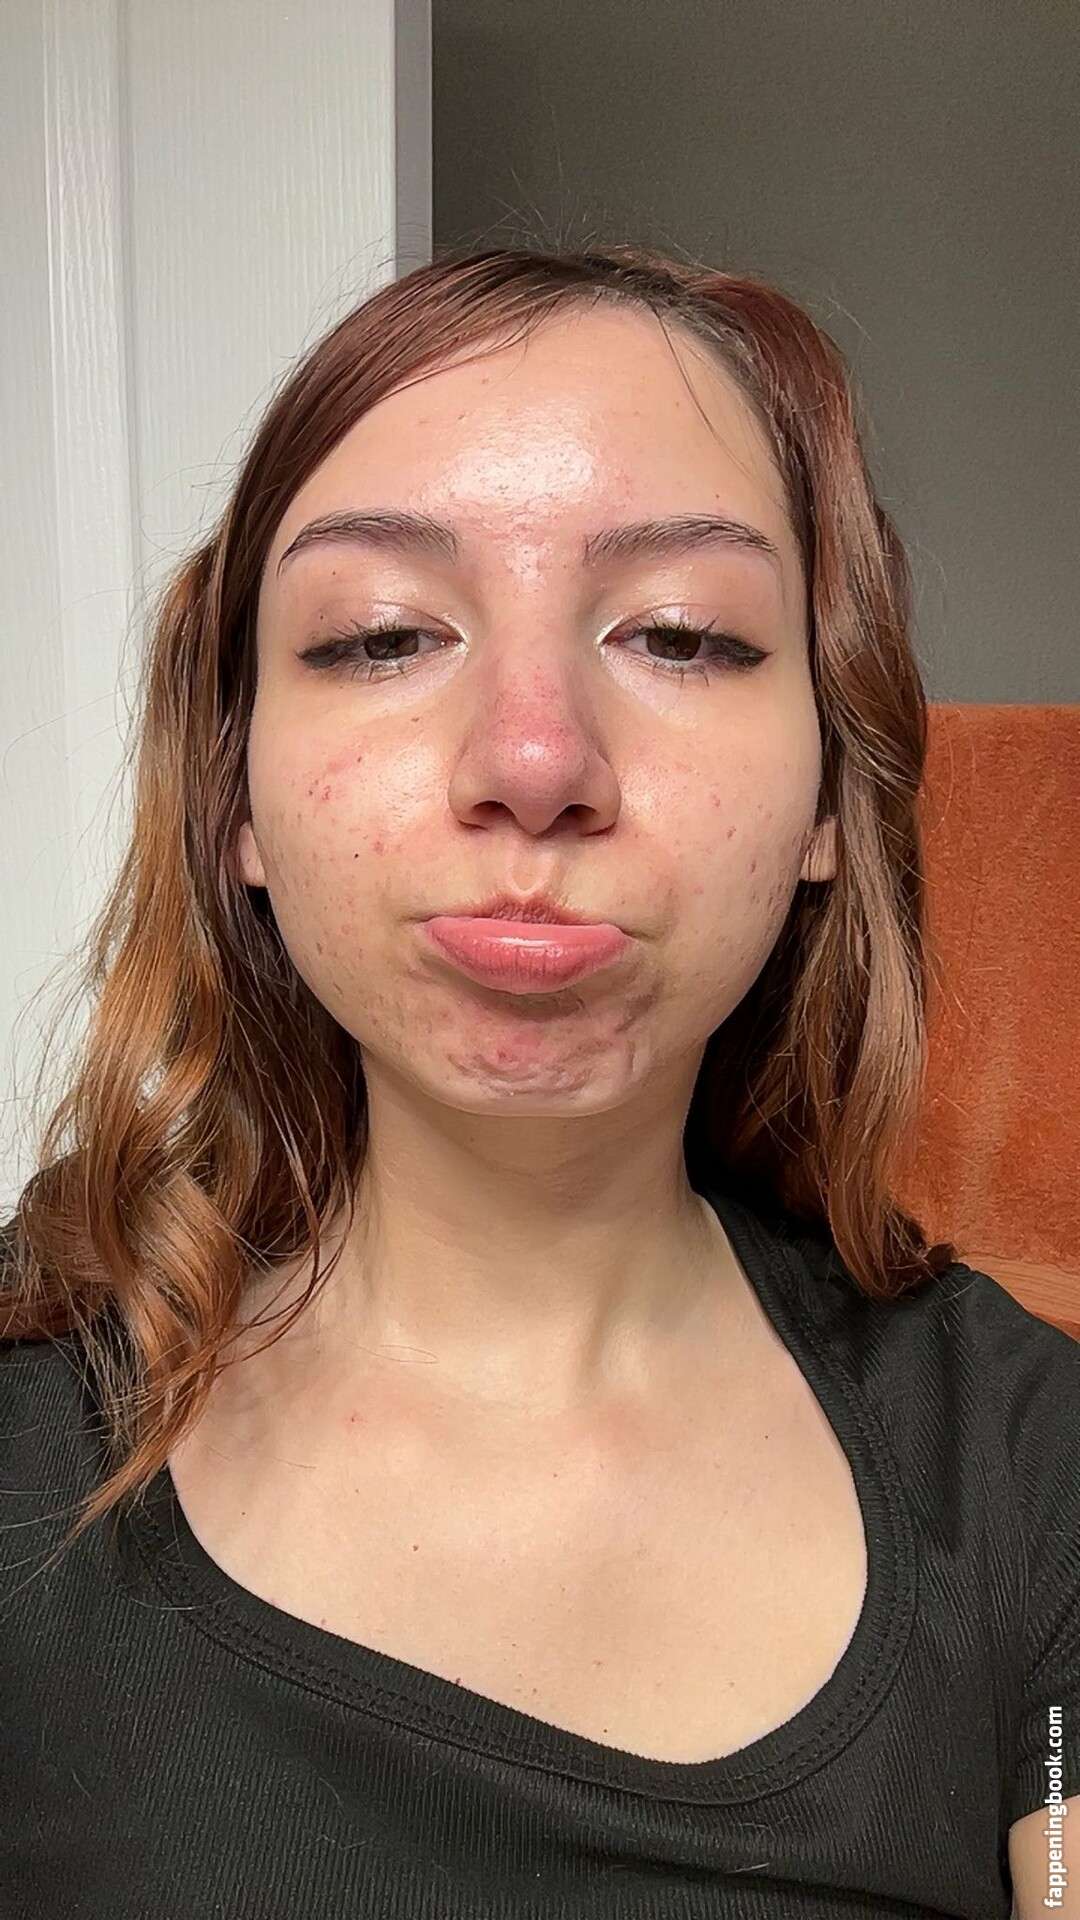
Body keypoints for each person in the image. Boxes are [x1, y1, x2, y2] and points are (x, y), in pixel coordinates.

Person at [1, 242, 1076, 1919]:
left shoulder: (1031, 1462)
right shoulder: (24, 1429)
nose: (533, 760)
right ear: (236, 802)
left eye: (680, 636)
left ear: (824, 799)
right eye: (380, 637)